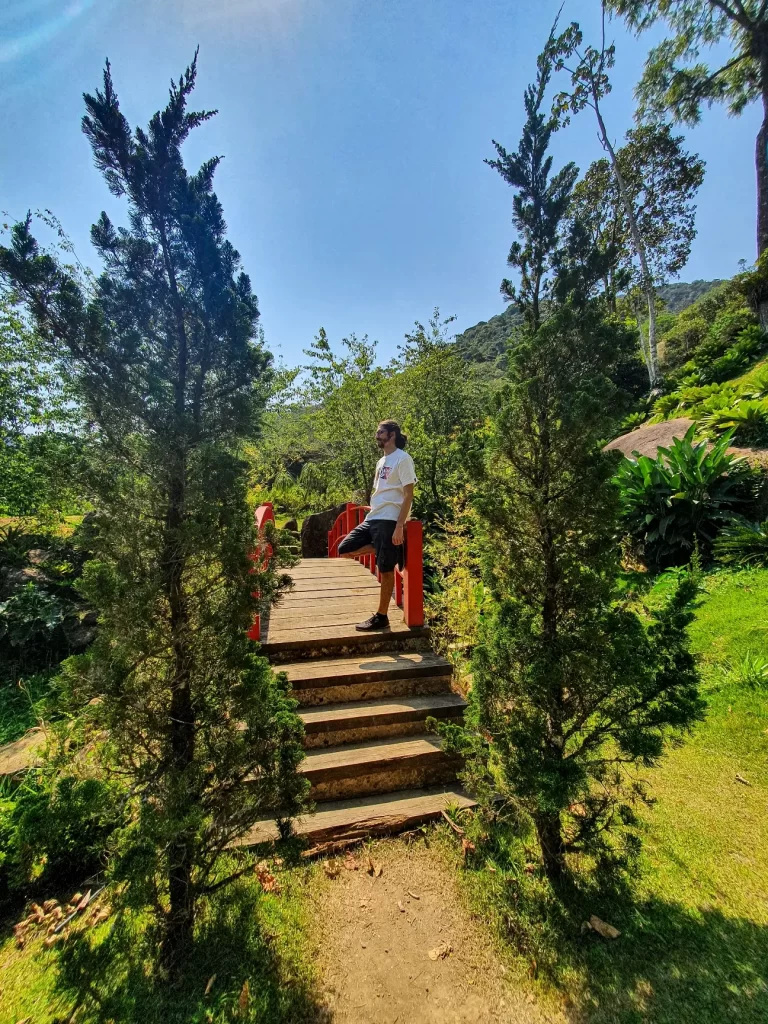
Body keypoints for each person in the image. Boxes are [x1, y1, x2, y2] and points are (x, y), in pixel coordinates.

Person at [337, 419, 417, 630]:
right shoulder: (380, 462)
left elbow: (408, 495)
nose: (377, 435)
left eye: (381, 432)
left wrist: (400, 525)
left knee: (386, 569)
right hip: (372, 516)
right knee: (344, 549)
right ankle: (387, 549)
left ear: (392, 435)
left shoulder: (403, 459)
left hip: (390, 518)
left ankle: (382, 616)